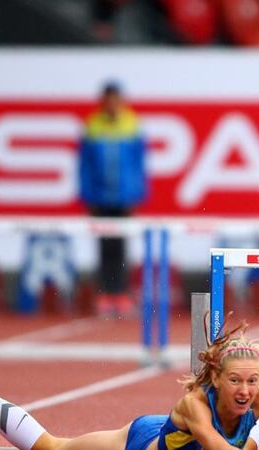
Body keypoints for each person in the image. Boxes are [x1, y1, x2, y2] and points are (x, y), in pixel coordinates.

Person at [0, 320, 259, 450]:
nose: (245, 390)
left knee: (256, 431)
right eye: (235, 381)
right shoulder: (195, 406)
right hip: (143, 440)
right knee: (50, 448)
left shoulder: (257, 394)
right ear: (214, 379)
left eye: (253, 381)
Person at [79, 80, 147, 317]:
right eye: (107, 98)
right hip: (99, 197)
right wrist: (87, 195)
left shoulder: (132, 124)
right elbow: (85, 165)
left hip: (123, 197)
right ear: (102, 100)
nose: (111, 103)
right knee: (103, 247)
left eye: (115, 98)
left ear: (121, 100)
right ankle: (105, 294)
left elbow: (138, 165)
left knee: (121, 247)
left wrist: (137, 194)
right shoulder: (92, 125)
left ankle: (120, 294)